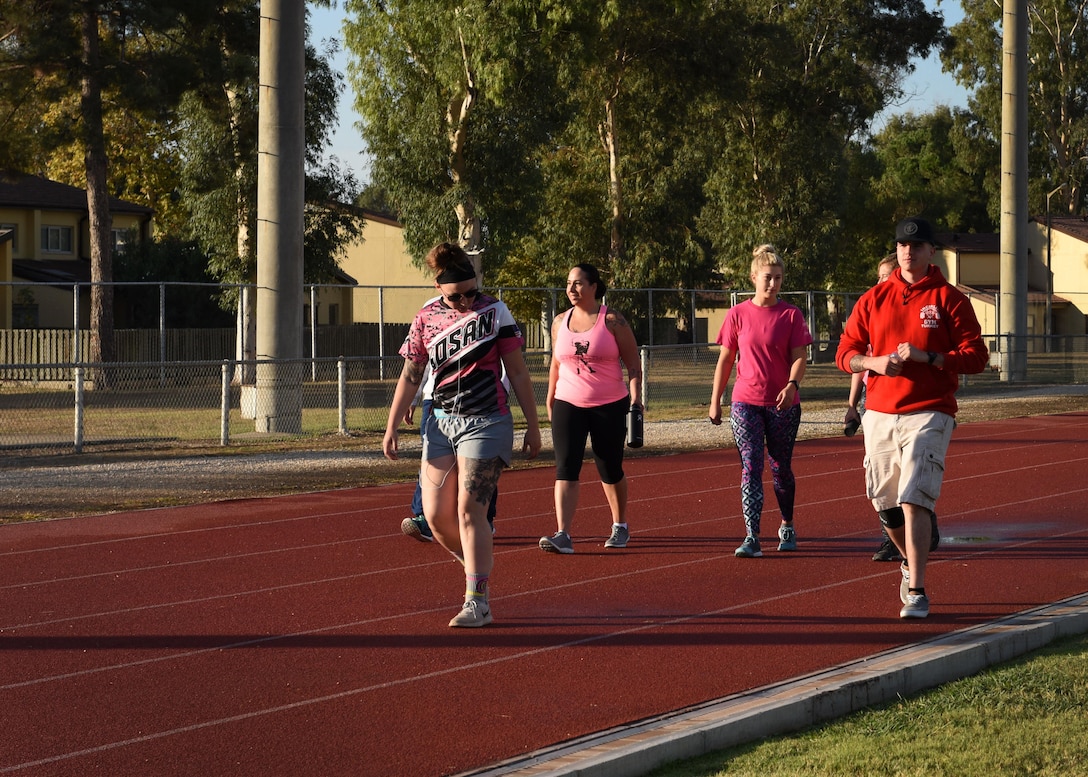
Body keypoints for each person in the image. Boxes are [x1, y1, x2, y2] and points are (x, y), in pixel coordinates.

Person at [836, 216, 988, 619]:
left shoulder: (949, 299)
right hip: (880, 412)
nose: (909, 251)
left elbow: (977, 357)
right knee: (885, 503)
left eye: (917, 245)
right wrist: (874, 362)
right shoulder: (874, 298)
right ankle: (908, 562)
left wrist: (931, 358)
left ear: (930, 251)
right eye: (903, 246)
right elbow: (845, 354)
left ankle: (918, 590)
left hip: (930, 412)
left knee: (913, 496)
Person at [384, 242, 542, 628]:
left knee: (470, 510)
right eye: (458, 295)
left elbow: (518, 372)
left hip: (487, 421)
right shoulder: (425, 318)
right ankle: (476, 565)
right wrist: (390, 426)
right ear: (439, 288)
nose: (467, 301)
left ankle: (478, 600)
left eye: (472, 291)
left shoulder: (495, 311)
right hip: (440, 423)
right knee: (436, 518)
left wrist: (535, 426)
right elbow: (410, 373)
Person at [709, 244, 813, 558]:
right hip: (745, 402)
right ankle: (752, 536)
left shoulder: (791, 315)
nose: (773, 284)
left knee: (780, 467)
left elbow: (800, 358)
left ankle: (787, 523)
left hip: (783, 404)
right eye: (768, 277)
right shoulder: (737, 314)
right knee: (751, 467)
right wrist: (715, 401)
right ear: (754, 276)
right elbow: (726, 360)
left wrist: (792, 386)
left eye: (778, 278)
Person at [539, 263, 642, 554]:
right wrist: (550, 397)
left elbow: (633, 364)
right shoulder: (560, 322)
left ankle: (620, 525)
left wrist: (635, 397)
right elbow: (556, 363)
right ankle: (563, 534)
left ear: (594, 286)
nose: (571, 289)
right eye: (569, 283)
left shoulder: (612, 320)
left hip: (609, 404)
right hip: (567, 403)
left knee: (609, 467)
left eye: (578, 283)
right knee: (565, 468)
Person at [842, 254, 902, 562]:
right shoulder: (870, 311)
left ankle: (921, 522)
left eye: (885, 276)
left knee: (907, 474)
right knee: (880, 475)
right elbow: (857, 364)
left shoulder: (907, 314)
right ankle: (891, 539)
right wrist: (852, 405)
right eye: (878, 276)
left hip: (907, 403)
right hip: (874, 402)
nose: (879, 282)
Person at [401, 360, 498, 542]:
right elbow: (419, 362)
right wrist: (412, 398)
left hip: (476, 398)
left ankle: (485, 517)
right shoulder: (429, 330)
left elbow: (506, 363)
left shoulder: (490, 330)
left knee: (478, 459)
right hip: (435, 399)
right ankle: (425, 520)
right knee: (431, 460)